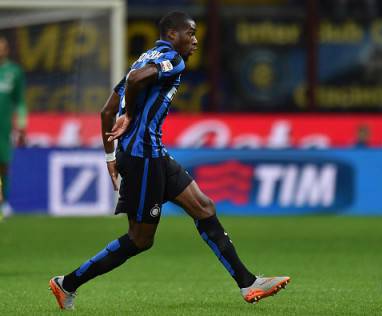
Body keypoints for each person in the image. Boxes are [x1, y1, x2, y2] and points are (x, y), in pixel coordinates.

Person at [49, 11, 290, 310]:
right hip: (143, 158)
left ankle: (248, 283)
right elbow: (134, 85)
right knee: (140, 240)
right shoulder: (171, 59)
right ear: (172, 34)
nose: (195, 41)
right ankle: (66, 284)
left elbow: (106, 111)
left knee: (203, 206)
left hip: (154, 154)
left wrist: (110, 155)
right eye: (190, 33)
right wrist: (132, 117)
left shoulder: (142, 59)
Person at [0, 36, 27, 220]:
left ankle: (4, 202)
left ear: (7, 50)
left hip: (4, 126)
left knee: (4, 165)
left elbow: (20, 101)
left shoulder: (14, 72)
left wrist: (22, 124)